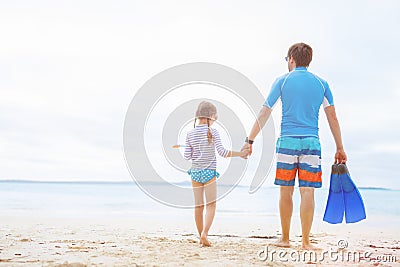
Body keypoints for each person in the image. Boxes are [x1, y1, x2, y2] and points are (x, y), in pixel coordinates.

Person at [242, 43, 347, 250]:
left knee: (285, 191)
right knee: (307, 191)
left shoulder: (282, 81)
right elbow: (332, 117)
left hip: (287, 142)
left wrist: (250, 140)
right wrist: (340, 147)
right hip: (311, 143)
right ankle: (306, 242)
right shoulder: (321, 83)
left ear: (291, 58)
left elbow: (265, 111)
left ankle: (285, 239)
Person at [184, 101, 249, 247]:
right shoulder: (213, 132)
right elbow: (223, 152)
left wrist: (191, 147)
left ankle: (201, 236)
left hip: (194, 173)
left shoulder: (190, 133)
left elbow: (187, 156)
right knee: (211, 205)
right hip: (209, 173)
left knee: (198, 206)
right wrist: (240, 154)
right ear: (211, 116)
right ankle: (205, 234)